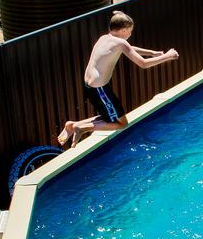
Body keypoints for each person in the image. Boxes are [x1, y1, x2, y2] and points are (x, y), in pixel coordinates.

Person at [57, 11, 179, 146]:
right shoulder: (121, 43)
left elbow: (129, 48)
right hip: (100, 89)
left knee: (109, 118)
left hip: (89, 86)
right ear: (124, 30)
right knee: (121, 123)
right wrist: (168, 56)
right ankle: (81, 128)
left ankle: (72, 125)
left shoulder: (104, 38)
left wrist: (151, 53)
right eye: (130, 31)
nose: (130, 34)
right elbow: (143, 64)